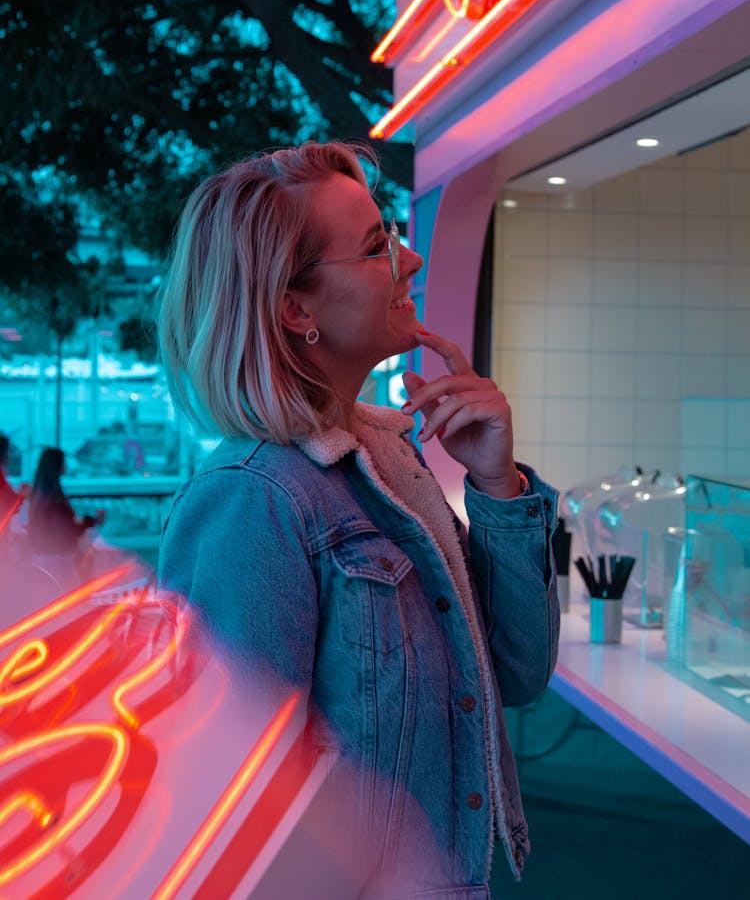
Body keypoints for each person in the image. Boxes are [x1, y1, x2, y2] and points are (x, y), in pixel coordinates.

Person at [157, 141, 559, 898]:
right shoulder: (254, 500)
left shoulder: (387, 460)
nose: (410, 262)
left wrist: (498, 482)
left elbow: (515, 670)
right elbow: (227, 805)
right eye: (378, 245)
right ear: (294, 306)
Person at [27, 446, 99, 556]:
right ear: (57, 466)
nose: (66, 465)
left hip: (40, 556)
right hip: (58, 558)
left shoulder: (37, 495)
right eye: (63, 462)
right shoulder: (55, 501)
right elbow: (67, 531)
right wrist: (89, 522)